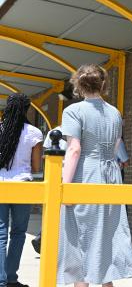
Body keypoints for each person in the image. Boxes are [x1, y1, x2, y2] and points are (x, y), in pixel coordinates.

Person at [56, 64, 132, 287]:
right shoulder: (115, 112)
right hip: (111, 175)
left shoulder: (73, 111)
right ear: (103, 84)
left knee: (80, 237)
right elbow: (115, 148)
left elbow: (74, 149)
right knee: (107, 236)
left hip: (86, 173)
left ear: (78, 85)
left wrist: (64, 187)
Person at [0, 93, 43, 287]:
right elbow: (35, 168)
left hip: (1, 185)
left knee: (0, 233)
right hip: (23, 186)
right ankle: (11, 279)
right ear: (27, 109)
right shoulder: (34, 133)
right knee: (18, 233)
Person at [31, 126, 67, 255]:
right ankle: (42, 238)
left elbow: (46, 155)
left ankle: (42, 237)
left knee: (56, 210)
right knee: (59, 211)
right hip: (66, 175)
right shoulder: (63, 131)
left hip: (58, 174)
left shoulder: (55, 131)